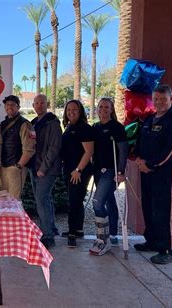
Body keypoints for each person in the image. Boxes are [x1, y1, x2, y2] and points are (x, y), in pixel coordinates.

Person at [134, 85, 172, 264]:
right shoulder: (150, 119)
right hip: (147, 172)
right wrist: (138, 159)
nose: (159, 103)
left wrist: (151, 165)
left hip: (166, 174)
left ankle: (168, 249)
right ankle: (152, 241)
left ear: (171, 99)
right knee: (149, 207)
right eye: (156, 99)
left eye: (163, 99)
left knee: (165, 211)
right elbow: (141, 143)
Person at [89, 98, 128, 256]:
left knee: (98, 202)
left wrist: (121, 172)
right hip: (98, 170)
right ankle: (112, 234)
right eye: (100, 107)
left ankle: (102, 239)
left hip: (111, 170)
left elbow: (123, 151)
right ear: (97, 109)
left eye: (107, 107)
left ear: (111, 110)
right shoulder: (95, 127)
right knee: (110, 200)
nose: (103, 109)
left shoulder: (117, 128)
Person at [60, 99, 94, 248]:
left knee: (73, 201)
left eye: (74, 110)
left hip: (79, 171)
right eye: (68, 110)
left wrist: (78, 170)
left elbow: (89, 152)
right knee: (76, 200)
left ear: (80, 111)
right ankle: (79, 229)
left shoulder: (84, 128)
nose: (71, 112)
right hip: (69, 170)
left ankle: (72, 233)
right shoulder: (69, 127)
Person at [30, 94, 62, 249]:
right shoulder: (35, 123)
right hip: (35, 167)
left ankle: (48, 236)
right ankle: (52, 228)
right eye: (37, 103)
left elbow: (54, 148)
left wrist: (43, 168)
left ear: (47, 104)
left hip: (46, 169)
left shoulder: (53, 123)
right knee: (45, 199)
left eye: (42, 103)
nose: (39, 105)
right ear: (33, 106)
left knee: (41, 200)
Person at [0, 95, 36, 200]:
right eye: (7, 105)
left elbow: (29, 149)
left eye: (12, 105)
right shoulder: (4, 124)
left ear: (18, 107)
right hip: (4, 166)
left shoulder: (25, 125)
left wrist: (18, 166)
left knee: (14, 200)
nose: (9, 107)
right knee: (2, 199)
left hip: (16, 167)